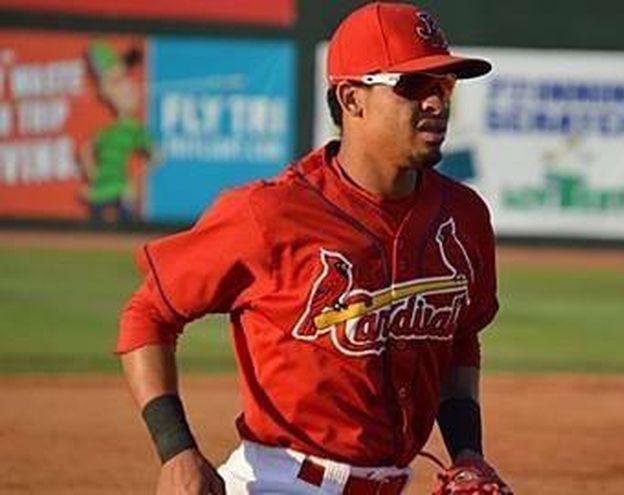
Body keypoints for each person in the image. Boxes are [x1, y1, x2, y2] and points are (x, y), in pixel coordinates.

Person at [116, 2, 514, 494]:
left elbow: (459, 336)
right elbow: (148, 313)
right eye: (414, 86)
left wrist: (468, 453)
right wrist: (175, 449)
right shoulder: (269, 213)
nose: (436, 102)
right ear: (352, 99)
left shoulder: (463, 215)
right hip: (280, 482)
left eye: (444, 85)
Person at [78, 41, 152, 225]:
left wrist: (134, 180)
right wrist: (92, 176)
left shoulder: (133, 129)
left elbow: (154, 155)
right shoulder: (105, 132)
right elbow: (86, 151)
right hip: (101, 190)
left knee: (128, 225)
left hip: (120, 189)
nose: (128, 89)